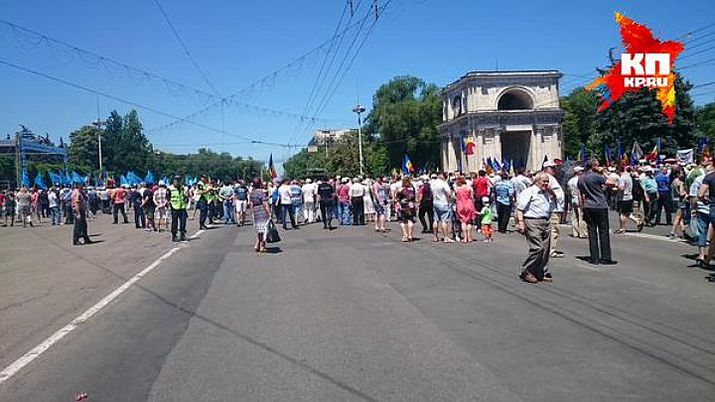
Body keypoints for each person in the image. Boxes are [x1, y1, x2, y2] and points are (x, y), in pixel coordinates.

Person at [515, 172, 556, 283]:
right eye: (544, 181)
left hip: (545, 220)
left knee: (546, 249)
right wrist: (521, 222)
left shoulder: (546, 192)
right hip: (532, 221)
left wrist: (551, 191)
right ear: (537, 181)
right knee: (538, 248)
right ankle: (527, 270)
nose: (546, 183)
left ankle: (540, 271)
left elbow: (556, 200)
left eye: (547, 181)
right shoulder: (529, 192)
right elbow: (520, 208)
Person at [578, 159, 618, 265]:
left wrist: (582, 209)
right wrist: (604, 173)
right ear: (594, 166)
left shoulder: (581, 178)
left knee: (592, 232)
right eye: (597, 165)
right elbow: (612, 183)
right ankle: (605, 257)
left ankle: (594, 257)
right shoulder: (596, 176)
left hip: (588, 205)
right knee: (603, 231)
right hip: (600, 205)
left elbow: (581, 195)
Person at [543, 162, 566, 258]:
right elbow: (546, 186)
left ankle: (549, 249)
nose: (554, 169)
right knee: (554, 230)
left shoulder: (548, 177)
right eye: (552, 168)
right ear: (547, 168)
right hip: (553, 207)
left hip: (554, 207)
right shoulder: (547, 177)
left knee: (552, 230)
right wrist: (554, 194)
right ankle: (551, 250)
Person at [615, 166, 643, 234]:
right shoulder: (629, 177)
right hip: (629, 197)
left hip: (624, 197)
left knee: (622, 214)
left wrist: (615, 187)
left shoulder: (622, 178)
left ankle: (622, 228)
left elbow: (621, 188)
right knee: (627, 213)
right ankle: (637, 221)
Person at [431, 172, 454, 243]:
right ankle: (446, 237)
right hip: (444, 202)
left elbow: (432, 192)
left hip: (435, 202)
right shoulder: (444, 183)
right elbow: (449, 193)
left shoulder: (433, 183)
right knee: (444, 220)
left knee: (435, 220)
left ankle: (435, 236)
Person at [250, 177, 270, 253]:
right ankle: (262, 246)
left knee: (259, 229)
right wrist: (269, 212)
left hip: (256, 210)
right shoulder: (261, 192)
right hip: (262, 210)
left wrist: (252, 212)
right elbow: (265, 203)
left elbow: (251, 203)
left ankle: (257, 244)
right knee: (264, 229)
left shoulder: (252, 192)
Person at [454, 176, 476, 243]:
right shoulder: (469, 188)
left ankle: (465, 237)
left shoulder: (457, 189)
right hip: (468, 204)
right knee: (469, 221)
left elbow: (455, 197)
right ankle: (469, 237)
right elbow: (472, 197)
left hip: (460, 205)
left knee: (463, 221)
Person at [567, 167, 587, 238]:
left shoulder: (570, 181)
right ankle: (582, 232)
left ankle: (575, 232)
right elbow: (581, 192)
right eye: (582, 171)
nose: (583, 172)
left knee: (574, 217)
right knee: (581, 216)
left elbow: (569, 192)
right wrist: (583, 202)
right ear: (578, 172)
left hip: (573, 198)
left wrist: (569, 201)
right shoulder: (580, 180)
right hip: (579, 199)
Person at [396, 177, 417, 242]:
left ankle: (405, 235)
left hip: (403, 206)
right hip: (411, 206)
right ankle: (410, 235)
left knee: (402, 221)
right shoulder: (412, 188)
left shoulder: (401, 189)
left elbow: (397, 198)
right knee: (410, 220)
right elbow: (414, 197)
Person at [168, 175, 188, 242]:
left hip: (182, 207)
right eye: (176, 180)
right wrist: (169, 206)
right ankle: (174, 235)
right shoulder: (170, 188)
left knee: (183, 221)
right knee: (175, 222)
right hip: (174, 207)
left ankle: (182, 234)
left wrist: (186, 198)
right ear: (173, 180)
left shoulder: (182, 188)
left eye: (179, 180)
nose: (178, 181)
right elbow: (168, 198)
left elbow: (184, 196)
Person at [670, 169, 687, 239]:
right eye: (681, 173)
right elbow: (681, 193)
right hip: (679, 200)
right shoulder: (679, 182)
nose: (683, 175)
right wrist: (687, 193)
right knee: (678, 217)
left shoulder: (674, 181)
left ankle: (683, 232)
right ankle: (672, 232)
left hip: (675, 199)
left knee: (680, 218)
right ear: (677, 174)